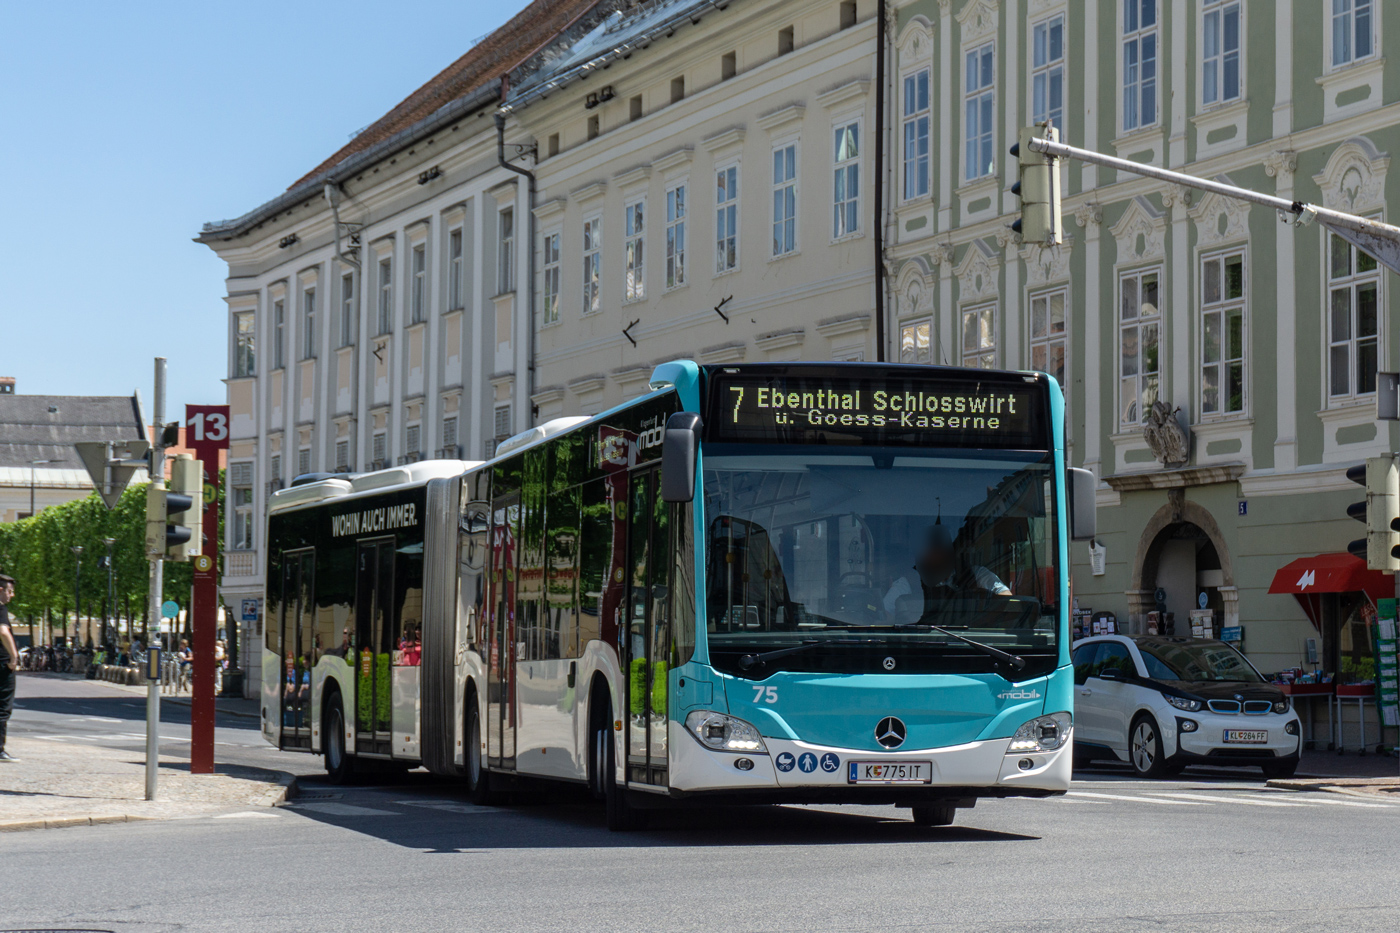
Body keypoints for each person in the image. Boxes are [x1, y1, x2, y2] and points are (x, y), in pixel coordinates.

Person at [883, 524, 1010, 621]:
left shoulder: (975, 574)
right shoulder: (909, 582)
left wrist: (982, 619)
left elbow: (1006, 596)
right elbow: (885, 613)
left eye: (940, 548)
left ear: (950, 551)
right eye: (931, 549)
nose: (935, 555)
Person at [0, 574, 20, 762]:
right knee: (3, 707)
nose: (11, 595)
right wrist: (14, 656)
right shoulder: (0, 608)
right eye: (9, 591)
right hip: (2, 664)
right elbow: (2, 631)